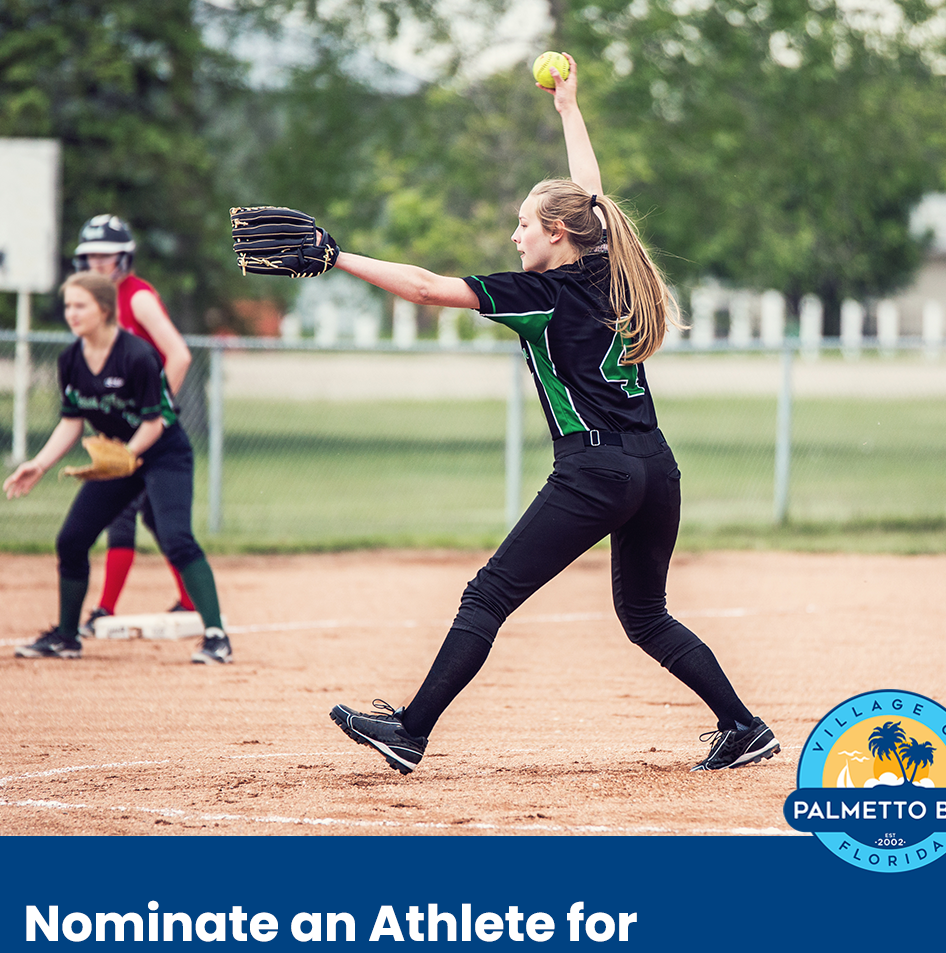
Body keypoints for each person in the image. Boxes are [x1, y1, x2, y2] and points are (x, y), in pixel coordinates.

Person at [329, 55, 778, 772]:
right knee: (646, 615)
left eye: (525, 225)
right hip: (655, 468)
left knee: (488, 595)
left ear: (558, 236)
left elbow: (422, 289)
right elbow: (592, 199)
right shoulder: (610, 268)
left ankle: (410, 730)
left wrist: (335, 254)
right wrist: (568, 109)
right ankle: (743, 725)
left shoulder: (544, 293)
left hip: (595, 470)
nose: (516, 237)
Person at [3, 271, 232, 664]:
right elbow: (72, 420)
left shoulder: (136, 355)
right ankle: (67, 636)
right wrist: (39, 464)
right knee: (72, 540)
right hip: (119, 459)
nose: (71, 314)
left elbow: (156, 420)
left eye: (80, 305)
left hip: (163, 454)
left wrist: (126, 455)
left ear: (105, 310)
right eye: (68, 306)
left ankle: (216, 637)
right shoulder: (71, 359)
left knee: (176, 537)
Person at [69, 215, 197, 636]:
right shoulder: (92, 302)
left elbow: (178, 355)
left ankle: (106, 608)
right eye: (90, 254)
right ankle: (181, 600)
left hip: (148, 429)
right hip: (122, 430)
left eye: (104, 255)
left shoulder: (136, 297)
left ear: (123, 258)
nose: (96, 262)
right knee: (142, 517)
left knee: (146, 516)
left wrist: (158, 411)